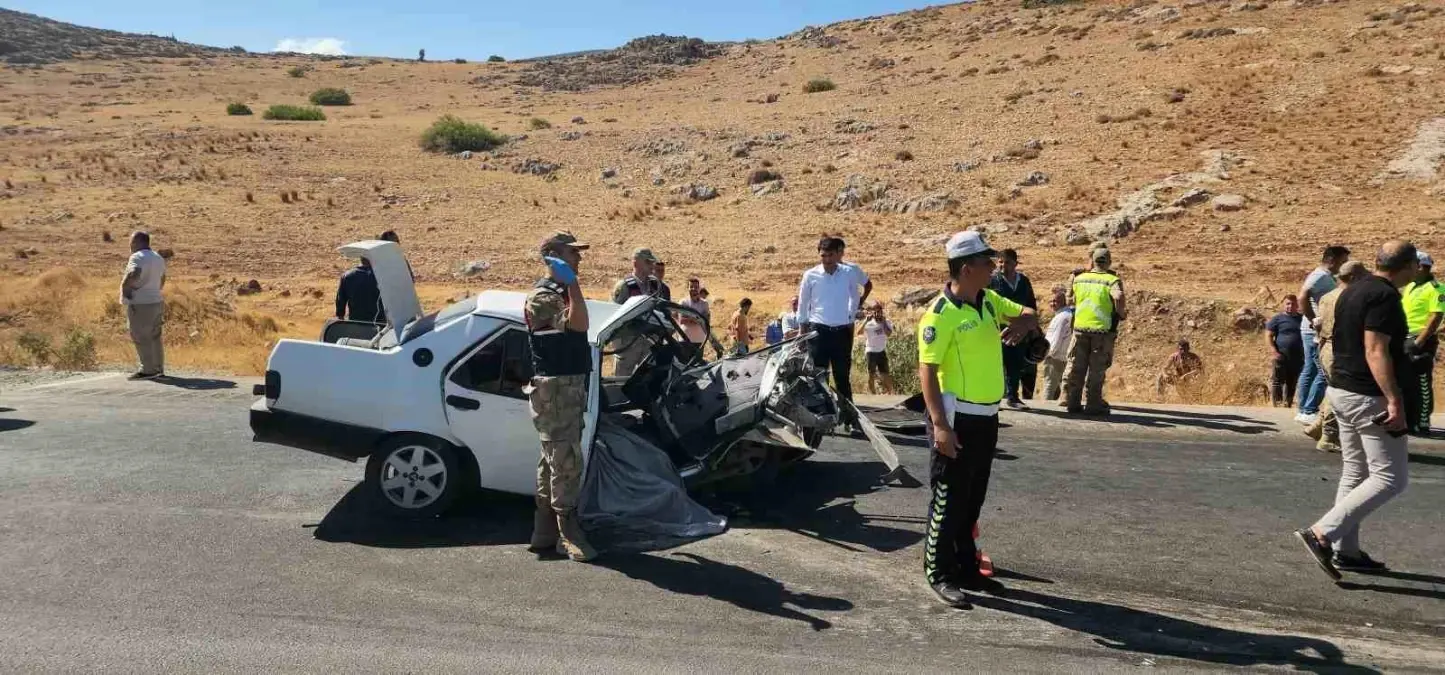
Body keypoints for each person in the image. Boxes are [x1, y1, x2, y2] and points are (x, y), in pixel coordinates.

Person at [918, 230, 1039, 608]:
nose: (994, 267)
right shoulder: (940, 314)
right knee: (948, 498)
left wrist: (1025, 324)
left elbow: (1029, 313)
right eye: (988, 263)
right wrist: (940, 425)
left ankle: (967, 567)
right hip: (957, 417)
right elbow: (927, 370)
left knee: (973, 498)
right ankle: (938, 571)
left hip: (987, 415)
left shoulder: (988, 300)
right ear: (967, 269)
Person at [1294, 240, 1417, 579]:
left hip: (1342, 390)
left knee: (1355, 471)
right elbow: (1375, 350)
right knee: (1391, 478)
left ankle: (1345, 550)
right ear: (1406, 265)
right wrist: (1394, 398)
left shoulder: (1353, 290)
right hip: (1368, 396)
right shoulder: (1384, 296)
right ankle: (1321, 534)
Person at [523, 231, 596, 563]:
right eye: (572, 253)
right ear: (552, 256)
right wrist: (573, 285)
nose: (578, 258)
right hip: (556, 390)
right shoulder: (543, 296)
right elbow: (579, 325)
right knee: (565, 460)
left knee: (551, 460)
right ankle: (568, 533)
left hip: (565, 387)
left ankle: (544, 532)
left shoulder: (557, 291)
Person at [798, 235, 872, 407]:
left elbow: (854, 295)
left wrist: (849, 316)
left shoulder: (848, 273)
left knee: (842, 377)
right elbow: (803, 303)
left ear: (837, 255)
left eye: (830, 255)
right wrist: (802, 330)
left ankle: (848, 418)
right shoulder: (810, 275)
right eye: (823, 256)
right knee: (818, 376)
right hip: (818, 331)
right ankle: (820, 417)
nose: (827, 259)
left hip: (841, 332)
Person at [1307, 261, 1370, 452]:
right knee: (1341, 392)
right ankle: (1329, 435)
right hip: (1343, 349)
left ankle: (1318, 425)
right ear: (1353, 278)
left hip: (1326, 347)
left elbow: (1319, 323)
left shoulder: (1327, 297)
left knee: (1333, 389)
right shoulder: (1354, 297)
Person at [1062, 246, 1126, 415]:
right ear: (1109, 261)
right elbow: (1118, 297)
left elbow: (1070, 299)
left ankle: (1073, 402)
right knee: (1096, 370)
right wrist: (1121, 313)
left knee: (1077, 367)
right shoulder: (1111, 280)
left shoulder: (1079, 278)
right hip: (1101, 332)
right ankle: (1093, 404)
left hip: (1080, 329)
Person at [1297, 246, 1352, 425]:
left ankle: (1303, 410)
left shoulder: (1326, 276)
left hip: (1313, 330)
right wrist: (1314, 319)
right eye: (1342, 261)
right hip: (1315, 331)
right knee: (1323, 371)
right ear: (1331, 260)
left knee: (1310, 369)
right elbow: (1302, 296)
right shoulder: (1319, 275)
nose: (1344, 265)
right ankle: (1309, 410)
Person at [1399, 250, 1442, 436]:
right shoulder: (1410, 286)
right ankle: (1409, 419)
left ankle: (1422, 422)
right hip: (1405, 337)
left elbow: (1435, 317)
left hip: (1421, 339)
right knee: (1406, 381)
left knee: (1422, 381)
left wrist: (1419, 342)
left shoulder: (1436, 288)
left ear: (1422, 267)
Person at [990, 248, 1039, 407]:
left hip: (1019, 332)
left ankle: (1013, 396)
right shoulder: (992, 281)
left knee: (1015, 364)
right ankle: (993, 398)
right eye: (1000, 262)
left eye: (1007, 262)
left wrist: (1031, 326)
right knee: (995, 365)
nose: (1003, 265)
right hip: (996, 330)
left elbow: (1031, 304)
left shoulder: (1023, 281)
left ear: (1016, 264)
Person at [612, 247, 666, 376]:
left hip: (649, 341)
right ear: (635, 262)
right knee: (622, 378)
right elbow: (613, 315)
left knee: (647, 378)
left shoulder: (655, 285)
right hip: (628, 342)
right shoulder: (624, 286)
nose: (651, 265)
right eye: (647, 262)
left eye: (652, 262)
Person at [120, 231, 167, 380]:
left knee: (140, 336)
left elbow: (134, 273)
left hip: (140, 302)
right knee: (155, 336)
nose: (130, 245)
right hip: (156, 301)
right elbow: (162, 278)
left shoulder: (137, 257)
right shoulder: (157, 257)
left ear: (138, 242)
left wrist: (127, 289)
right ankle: (158, 368)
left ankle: (147, 369)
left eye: (132, 242)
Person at [1266, 295, 1306, 407]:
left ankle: (1287, 402)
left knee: (1292, 381)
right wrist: (1273, 351)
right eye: (1288, 303)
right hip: (1280, 354)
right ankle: (1277, 403)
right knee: (1277, 380)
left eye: (1293, 304)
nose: (1290, 306)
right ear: (1284, 305)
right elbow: (1268, 335)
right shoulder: (1277, 319)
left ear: (1297, 305)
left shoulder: (1302, 319)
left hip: (1297, 356)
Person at [857, 301, 895, 395]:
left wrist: (884, 323)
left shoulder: (887, 322)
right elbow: (858, 332)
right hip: (871, 351)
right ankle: (873, 394)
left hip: (881, 351)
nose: (878, 314)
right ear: (873, 313)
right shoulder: (869, 323)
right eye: (876, 312)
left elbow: (888, 333)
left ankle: (891, 393)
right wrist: (866, 320)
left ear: (882, 312)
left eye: (879, 312)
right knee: (871, 373)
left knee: (885, 373)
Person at [1041, 292, 1074, 401]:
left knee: (1049, 387)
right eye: (1051, 301)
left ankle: (1047, 409)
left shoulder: (1062, 317)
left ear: (1063, 301)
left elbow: (1056, 339)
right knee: (1058, 388)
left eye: (1055, 301)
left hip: (1054, 358)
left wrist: (1048, 355)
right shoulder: (1065, 314)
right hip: (1062, 356)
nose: (1052, 304)